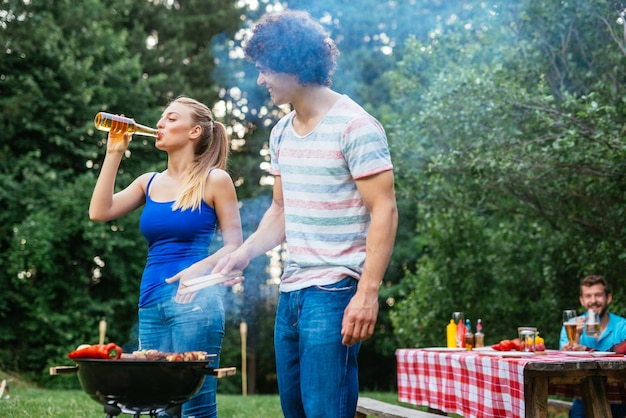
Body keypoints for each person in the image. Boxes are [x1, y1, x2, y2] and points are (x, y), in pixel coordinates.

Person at [213, 10, 398, 418]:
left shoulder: (355, 126)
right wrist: (243, 253)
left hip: (334, 292)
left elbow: (384, 209)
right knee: (295, 410)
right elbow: (280, 210)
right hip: (292, 292)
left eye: (265, 71)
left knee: (326, 411)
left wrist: (367, 295)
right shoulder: (281, 132)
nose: (260, 80)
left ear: (294, 66)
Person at [89, 96, 243, 418]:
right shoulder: (149, 182)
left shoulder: (215, 180)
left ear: (194, 131)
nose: (159, 124)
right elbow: (99, 211)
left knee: (195, 408)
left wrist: (195, 271)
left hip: (196, 303)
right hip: (151, 302)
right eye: (161, 118)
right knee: (155, 404)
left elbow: (234, 246)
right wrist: (114, 152)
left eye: (171, 119)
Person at [559, 274, 626, 418]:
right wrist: (576, 338)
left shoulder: (622, 326)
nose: (593, 301)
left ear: (608, 298)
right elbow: (562, 366)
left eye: (598, 295)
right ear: (582, 300)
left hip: (619, 397)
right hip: (583, 395)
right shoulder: (571, 325)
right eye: (588, 296)